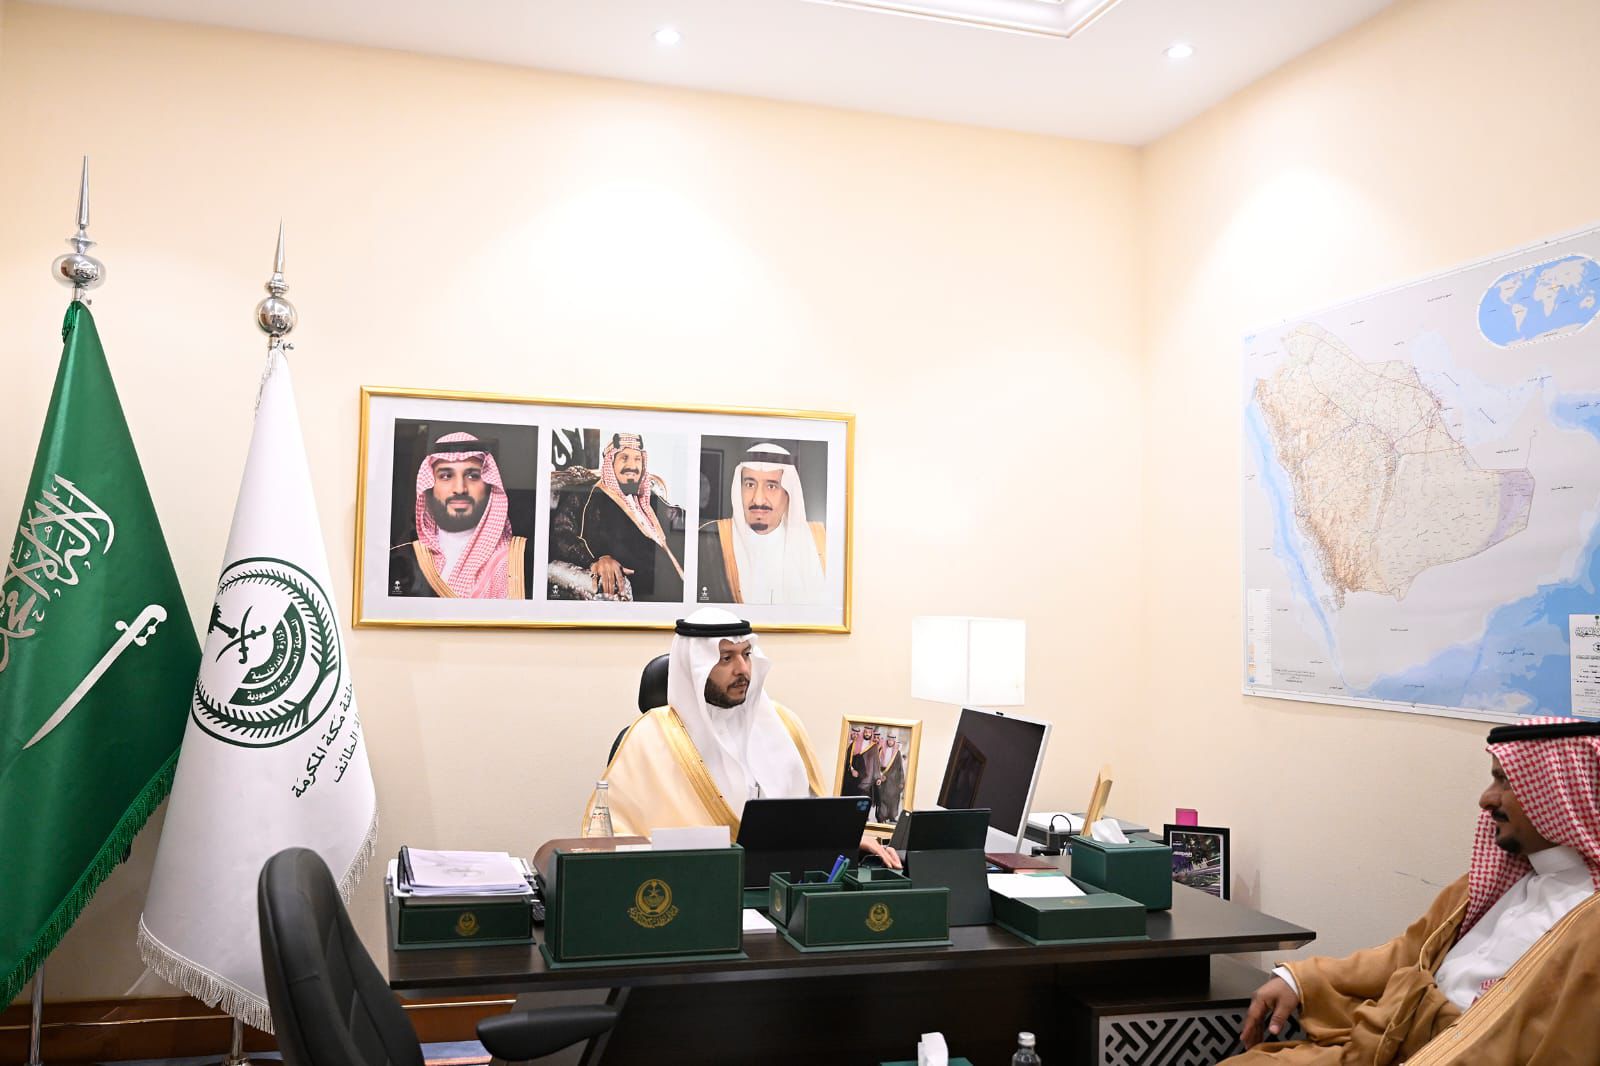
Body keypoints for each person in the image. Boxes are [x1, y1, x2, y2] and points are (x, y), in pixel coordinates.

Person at [1229, 717, 1600, 1065]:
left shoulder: (1589, 922)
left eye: (1505, 782)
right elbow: (1408, 953)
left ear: (1561, 793)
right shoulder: (1491, 881)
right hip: (1387, 1039)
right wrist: (1300, 979)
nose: (1486, 799)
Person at [583, 607, 899, 868]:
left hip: (782, 886)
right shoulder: (650, 738)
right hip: (691, 889)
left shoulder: (783, 725)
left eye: (746, 654)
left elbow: (813, 815)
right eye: (726, 658)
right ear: (695, 668)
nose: (743, 669)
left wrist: (846, 839)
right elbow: (609, 839)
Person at [388, 433, 533, 598]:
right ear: (429, 488)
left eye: (473, 476)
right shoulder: (405, 555)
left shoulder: (516, 560)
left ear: (489, 486)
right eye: (446, 476)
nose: (460, 488)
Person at [549, 432, 684, 602]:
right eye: (624, 458)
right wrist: (596, 560)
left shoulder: (649, 498)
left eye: (637, 459)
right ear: (611, 463)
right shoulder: (588, 495)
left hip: (673, 586)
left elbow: (678, 520)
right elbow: (561, 534)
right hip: (638, 592)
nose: (632, 466)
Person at [697, 443, 827, 605]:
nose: (758, 500)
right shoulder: (710, 538)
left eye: (771, 486)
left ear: (788, 493)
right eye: (750, 485)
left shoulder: (820, 541)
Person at [875, 730, 906, 824]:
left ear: (894, 741)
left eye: (892, 740)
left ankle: (892, 816)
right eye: (889, 740)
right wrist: (879, 775)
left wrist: (901, 781)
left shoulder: (897, 753)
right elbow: (876, 764)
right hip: (882, 777)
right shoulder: (881, 750)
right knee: (882, 798)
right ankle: (881, 817)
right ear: (887, 740)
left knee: (893, 799)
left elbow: (900, 768)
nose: (890, 742)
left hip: (893, 780)